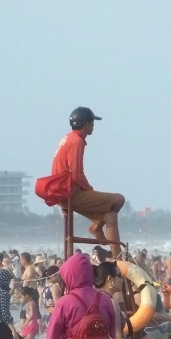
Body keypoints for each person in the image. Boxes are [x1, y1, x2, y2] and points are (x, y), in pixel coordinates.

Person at [51, 106, 126, 258]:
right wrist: (90, 191)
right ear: (86, 124)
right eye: (92, 122)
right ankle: (117, 257)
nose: (93, 126)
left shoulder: (68, 138)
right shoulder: (77, 140)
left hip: (63, 193)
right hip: (70, 193)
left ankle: (117, 257)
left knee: (110, 217)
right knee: (119, 199)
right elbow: (76, 174)